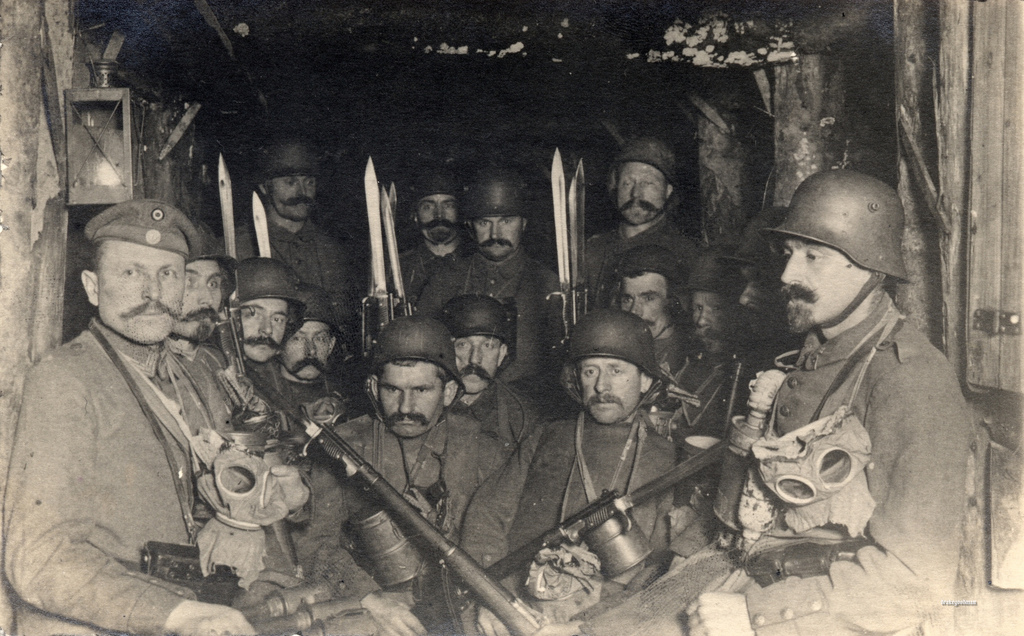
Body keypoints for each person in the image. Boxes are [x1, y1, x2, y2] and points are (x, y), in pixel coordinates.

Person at [4, 200, 255, 635]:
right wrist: (175, 615)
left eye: (168, 274)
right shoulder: (68, 380)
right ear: (93, 287)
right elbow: (38, 558)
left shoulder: (185, 375)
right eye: (130, 273)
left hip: (183, 604)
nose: (152, 293)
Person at [465, 309, 677, 635]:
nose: (602, 385)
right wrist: (494, 597)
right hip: (517, 606)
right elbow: (485, 515)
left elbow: (656, 567)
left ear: (645, 379)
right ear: (576, 378)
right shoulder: (548, 436)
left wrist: (588, 627)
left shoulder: (665, 457)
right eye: (590, 371)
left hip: (604, 621)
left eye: (616, 371)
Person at [300, 316, 508, 636]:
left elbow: (500, 538)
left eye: (422, 390)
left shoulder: (483, 448)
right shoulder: (342, 446)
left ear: (449, 391)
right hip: (378, 603)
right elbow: (316, 542)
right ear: (373, 387)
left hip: (463, 603)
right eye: (392, 390)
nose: (405, 406)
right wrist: (369, 597)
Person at [416, 168, 560, 394]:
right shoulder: (445, 279)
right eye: (484, 223)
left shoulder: (547, 283)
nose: (495, 233)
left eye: (506, 221)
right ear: (471, 227)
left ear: (523, 223)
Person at [237, 137, 359, 352]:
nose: (302, 192)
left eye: (309, 182)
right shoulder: (240, 245)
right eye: (290, 182)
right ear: (265, 188)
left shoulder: (334, 251)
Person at [585, 137, 700, 310]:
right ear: (615, 188)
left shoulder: (687, 254)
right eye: (627, 183)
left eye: (648, 183)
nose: (635, 194)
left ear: (668, 191)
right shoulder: (593, 250)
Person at [441, 294, 541, 458]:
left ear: (501, 354)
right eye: (463, 345)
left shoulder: (522, 418)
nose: (475, 359)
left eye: (488, 346)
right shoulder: (425, 405)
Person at [615, 244, 693, 375]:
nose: (634, 311)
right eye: (627, 299)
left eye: (649, 298)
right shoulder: (616, 348)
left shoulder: (688, 356)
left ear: (673, 301)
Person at [400, 169, 468, 305]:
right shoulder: (400, 268)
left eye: (448, 205)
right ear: (415, 215)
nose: (439, 215)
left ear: (460, 212)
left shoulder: (478, 263)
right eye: (427, 207)